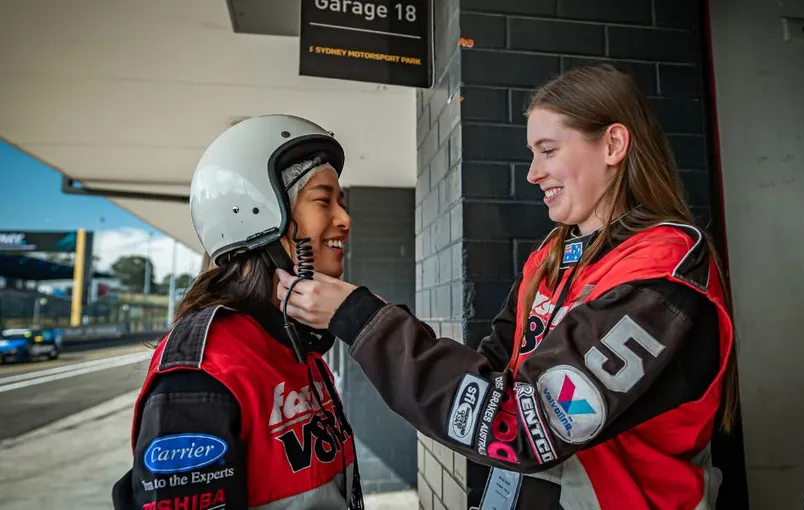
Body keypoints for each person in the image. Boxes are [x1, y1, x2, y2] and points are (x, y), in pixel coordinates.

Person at [275, 64, 738, 509]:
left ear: (613, 144)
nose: (533, 173)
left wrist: (364, 321)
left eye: (548, 150)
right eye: (532, 153)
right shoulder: (551, 257)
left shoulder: (665, 268)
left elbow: (520, 424)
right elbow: (488, 386)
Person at [111, 114, 365, 510]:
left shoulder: (295, 343)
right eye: (322, 200)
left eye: (341, 203)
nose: (345, 220)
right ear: (256, 213)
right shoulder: (204, 370)